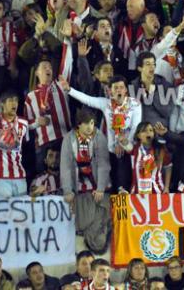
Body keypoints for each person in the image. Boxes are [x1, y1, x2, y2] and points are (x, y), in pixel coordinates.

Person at [61, 75, 141, 192]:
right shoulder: (106, 104)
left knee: (124, 185)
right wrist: (69, 90)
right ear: (110, 91)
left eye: (121, 87)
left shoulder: (135, 104)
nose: (119, 90)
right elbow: (88, 99)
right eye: (115, 88)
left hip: (128, 151)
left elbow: (135, 127)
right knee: (112, 184)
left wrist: (123, 143)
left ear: (126, 90)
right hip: (110, 151)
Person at [60, 109, 111, 254]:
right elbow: (66, 166)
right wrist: (68, 191)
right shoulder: (69, 138)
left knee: (102, 217)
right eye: (86, 124)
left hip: (99, 186)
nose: (90, 127)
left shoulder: (99, 136)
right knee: (83, 222)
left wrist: (101, 188)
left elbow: (103, 163)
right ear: (79, 125)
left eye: (92, 123)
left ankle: (97, 241)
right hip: (80, 188)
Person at [124, 122, 171, 194]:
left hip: (157, 192)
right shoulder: (135, 149)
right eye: (144, 131)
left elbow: (168, 167)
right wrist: (121, 139)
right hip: (137, 193)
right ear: (138, 135)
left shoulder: (161, 150)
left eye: (151, 130)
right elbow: (125, 143)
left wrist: (166, 187)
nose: (148, 133)